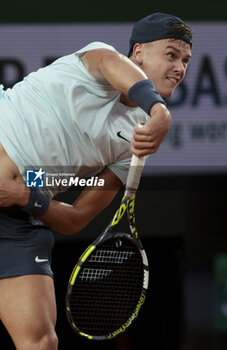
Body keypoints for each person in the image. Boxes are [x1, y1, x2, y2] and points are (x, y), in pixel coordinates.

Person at [0, 12, 192, 350]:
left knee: (41, 342)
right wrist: (159, 111)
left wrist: (26, 195)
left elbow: (75, 218)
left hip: (15, 218)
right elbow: (111, 64)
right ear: (138, 53)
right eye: (171, 54)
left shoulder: (132, 147)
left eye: (186, 60)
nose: (180, 68)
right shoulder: (97, 60)